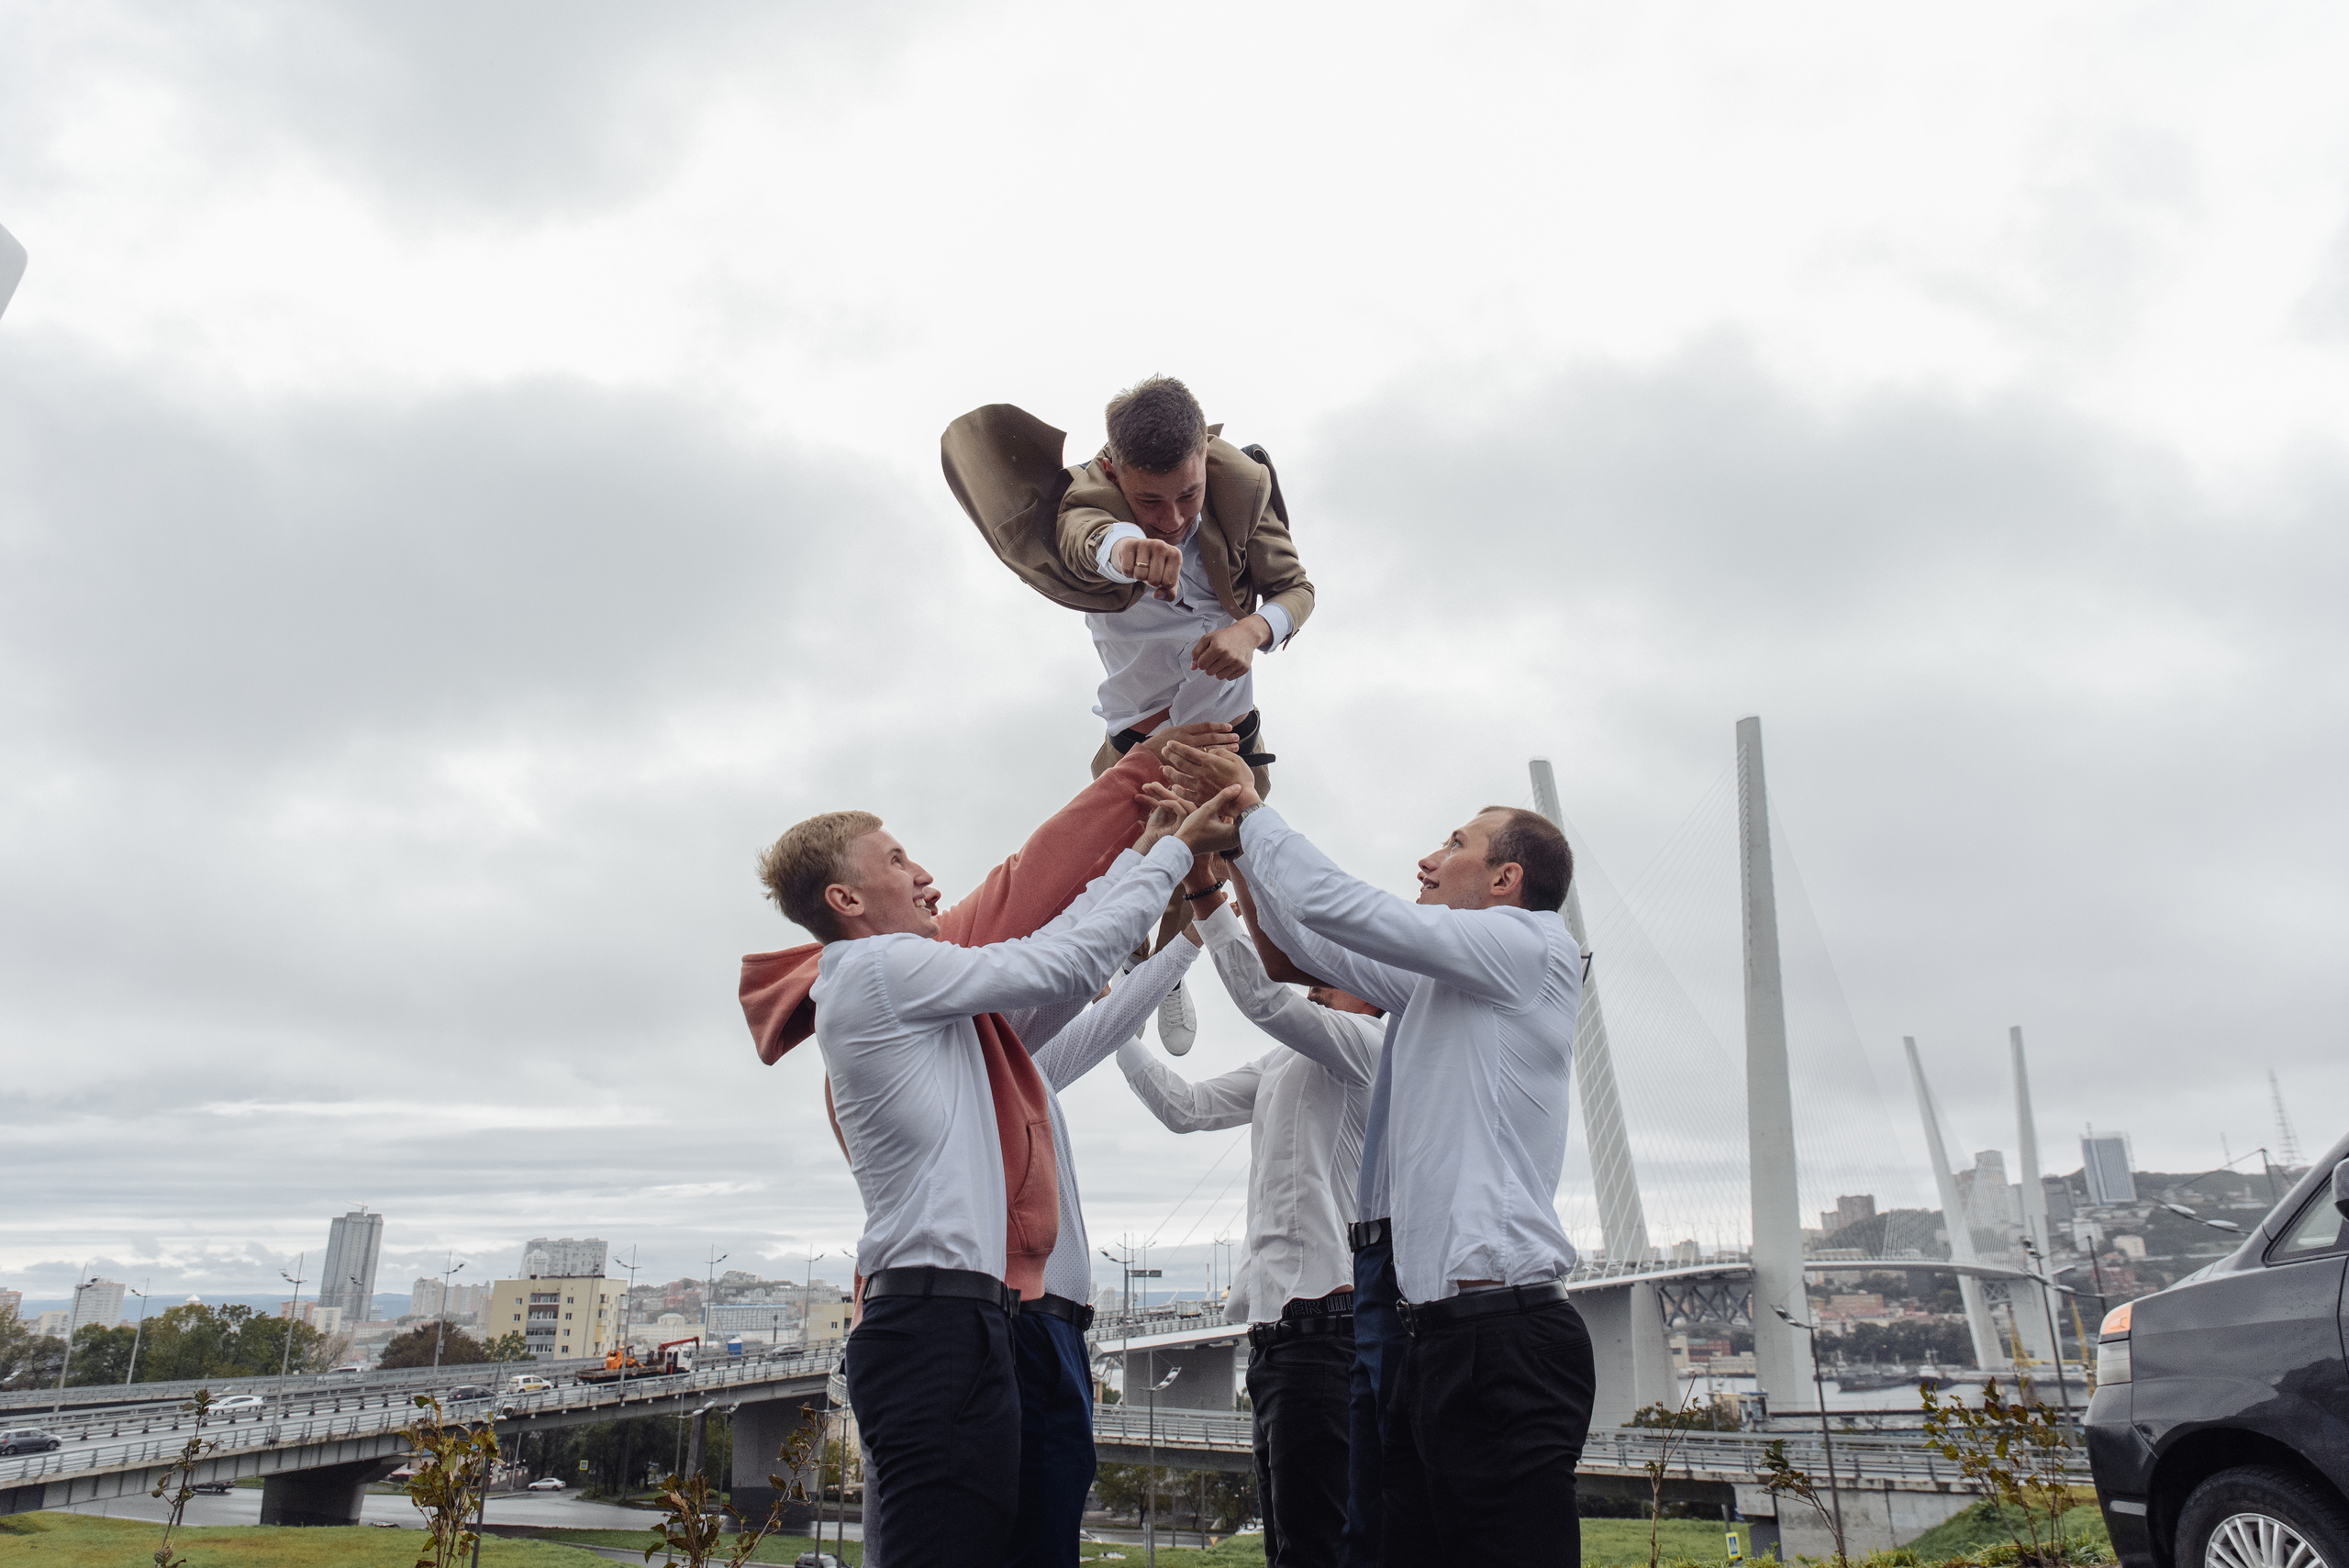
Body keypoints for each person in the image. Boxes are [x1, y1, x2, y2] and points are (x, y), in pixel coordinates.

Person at [749, 769, 1240, 1562]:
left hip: (965, 1321)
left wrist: (1146, 850)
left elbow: (1047, 972)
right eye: (899, 859)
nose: (925, 875)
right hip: (931, 1325)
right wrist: (1170, 853)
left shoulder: (929, 1010)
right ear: (846, 900)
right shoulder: (877, 969)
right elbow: (1061, 964)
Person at [1161, 740, 1593, 1566]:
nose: (1428, 860)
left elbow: (1344, 906)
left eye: (1455, 845)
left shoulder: (1533, 947)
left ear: (1506, 881)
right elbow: (1292, 954)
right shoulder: (1438, 982)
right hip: (1432, 1336)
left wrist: (1254, 812)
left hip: (1504, 1335)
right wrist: (1227, 864)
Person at [941, 376, 1319, 1051]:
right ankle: (1122, 956)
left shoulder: (1242, 485)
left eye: (1187, 495)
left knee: (1210, 865)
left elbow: (1296, 588)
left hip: (1228, 727)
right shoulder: (1091, 498)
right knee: (1105, 859)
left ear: (1204, 456)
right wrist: (1126, 549)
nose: (1171, 519)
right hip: (1138, 734)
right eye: (1149, 501)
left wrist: (1252, 631)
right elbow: (1087, 532)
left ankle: (1168, 968)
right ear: (1116, 470)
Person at [1116, 861, 1380, 1568]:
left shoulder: (1370, 1050)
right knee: (1294, 1545)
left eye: (1335, 972)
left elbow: (1267, 998)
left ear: (1379, 997)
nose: (1315, 978)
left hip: (1330, 1329)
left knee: (1318, 1546)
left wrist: (1207, 900)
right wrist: (1115, 1019)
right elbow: (1185, 1108)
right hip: (1276, 1337)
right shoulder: (1282, 1062)